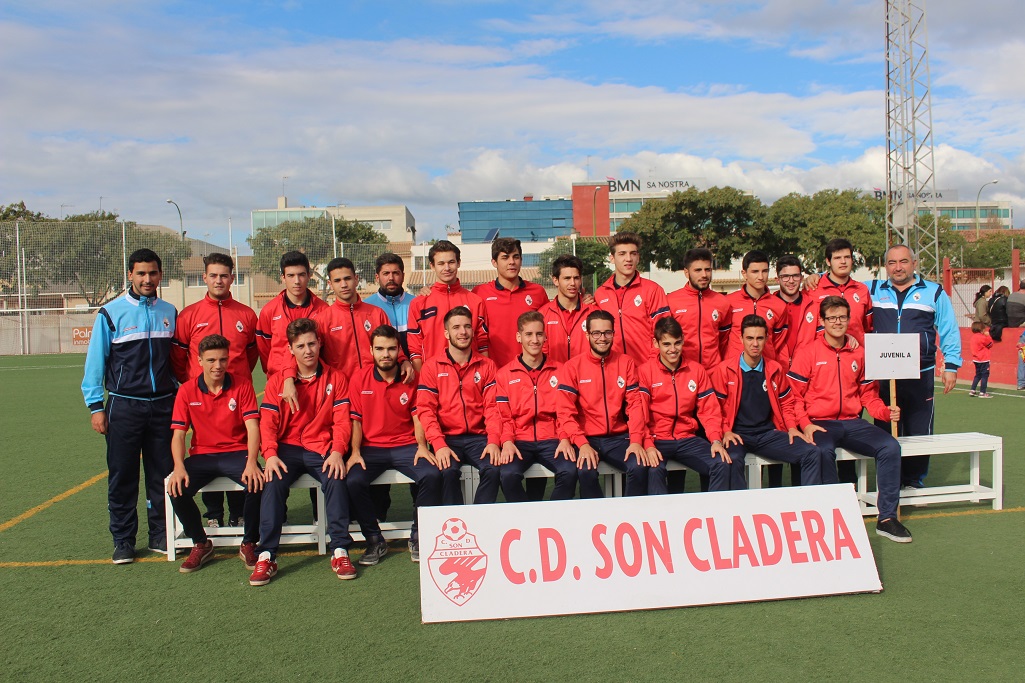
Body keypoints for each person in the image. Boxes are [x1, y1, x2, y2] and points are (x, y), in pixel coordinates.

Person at [787, 296, 911, 543]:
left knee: (890, 447)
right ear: (822, 321)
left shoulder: (859, 353)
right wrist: (805, 424)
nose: (837, 322)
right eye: (832, 318)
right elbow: (794, 397)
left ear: (848, 319)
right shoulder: (807, 352)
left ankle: (887, 518)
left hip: (853, 422)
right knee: (822, 451)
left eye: (842, 317)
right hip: (820, 422)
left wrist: (885, 412)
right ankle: (834, 515)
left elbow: (868, 396)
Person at [82, 248, 178, 564]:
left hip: (163, 406)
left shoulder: (170, 311)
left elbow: (177, 362)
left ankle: (161, 535)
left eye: (153, 273)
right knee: (122, 475)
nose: (147, 279)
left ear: (160, 275)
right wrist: (96, 406)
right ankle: (123, 541)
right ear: (130, 275)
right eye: (141, 273)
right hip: (124, 406)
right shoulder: (110, 313)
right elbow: (95, 362)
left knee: (162, 475)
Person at [249, 318, 358, 585]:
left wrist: (337, 451)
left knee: (336, 477)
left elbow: (342, 421)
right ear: (290, 349)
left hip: (321, 447)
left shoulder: (336, 378)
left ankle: (340, 551)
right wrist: (270, 454)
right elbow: (268, 423)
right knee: (272, 483)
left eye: (311, 344)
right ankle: (266, 555)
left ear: (320, 343)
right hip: (286, 449)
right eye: (300, 346)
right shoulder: (278, 382)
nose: (307, 350)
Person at [172, 252, 258, 530]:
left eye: (224, 275)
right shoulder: (189, 315)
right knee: (205, 445)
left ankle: (238, 513)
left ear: (232, 278)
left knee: (238, 446)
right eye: (213, 275)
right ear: (205, 277)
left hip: (237, 394)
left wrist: (238, 378)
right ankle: (213, 514)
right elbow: (179, 357)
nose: (219, 280)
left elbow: (252, 355)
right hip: (202, 396)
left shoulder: (246, 314)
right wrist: (192, 382)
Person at [345, 325, 443, 565]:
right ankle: (374, 539)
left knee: (431, 475)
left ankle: (418, 535)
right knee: (353, 480)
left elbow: (418, 417)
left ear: (399, 350)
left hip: (406, 446)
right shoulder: (359, 377)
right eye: (379, 349)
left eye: (390, 349)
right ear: (371, 350)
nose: (385, 354)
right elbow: (356, 420)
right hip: (371, 448)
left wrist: (422, 446)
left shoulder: (410, 378)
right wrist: (355, 452)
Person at [166, 334, 263, 572]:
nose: (217, 365)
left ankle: (249, 542)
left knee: (259, 483)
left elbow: (253, 428)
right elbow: (178, 435)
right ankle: (201, 543)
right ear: (199, 360)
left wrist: (252, 462)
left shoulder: (242, 385)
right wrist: (178, 467)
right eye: (211, 360)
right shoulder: (187, 390)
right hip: (203, 456)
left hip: (236, 453)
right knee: (176, 488)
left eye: (222, 359)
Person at [867, 245, 961, 489]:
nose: (898, 267)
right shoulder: (872, 289)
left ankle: (913, 481)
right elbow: (839, 285)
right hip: (884, 373)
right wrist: (818, 277)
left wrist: (951, 365)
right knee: (885, 428)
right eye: (892, 263)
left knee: (919, 429)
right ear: (885, 266)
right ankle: (890, 481)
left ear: (914, 263)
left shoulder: (934, 292)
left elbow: (949, 329)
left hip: (921, 372)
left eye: (903, 261)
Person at [709, 315, 823, 487]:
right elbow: (716, 409)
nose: (755, 344)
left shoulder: (775, 369)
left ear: (767, 339)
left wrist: (792, 427)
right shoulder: (724, 370)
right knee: (731, 459)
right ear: (741, 338)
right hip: (737, 434)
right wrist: (725, 431)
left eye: (759, 338)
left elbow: (786, 403)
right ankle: (741, 504)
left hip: (767, 434)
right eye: (750, 338)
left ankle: (807, 502)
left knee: (811, 452)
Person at [638, 317, 738, 493]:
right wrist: (648, 444)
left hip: (687, 438)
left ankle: (713, 510)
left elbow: (709, 410)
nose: (673, 349)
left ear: (683, 340)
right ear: (656, 343)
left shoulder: (696, 370)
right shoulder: (645, 372)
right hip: (657, 439)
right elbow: (640, 414)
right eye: (666, 344)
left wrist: (715, 440)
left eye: (677, 343)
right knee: (653, 469)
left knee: (720, 463)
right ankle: (660, 512)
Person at [557, 310, 651, 497]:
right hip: (587, 438)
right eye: (596, 333)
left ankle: (628, 513)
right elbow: (565, 412)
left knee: (639, 466)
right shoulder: (573, 367)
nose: (602, 338)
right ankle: (598, 515)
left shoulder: (626, 363)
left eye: (607, 332)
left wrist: (635, 441)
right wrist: (582, 443)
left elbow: (635, 405)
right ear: (587, 335)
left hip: (618, 438)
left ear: (613, 334)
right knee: (585, 470)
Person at [416, 306, 503, 505]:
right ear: (446, 333)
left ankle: (479, 518)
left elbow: (493, 408)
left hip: (479, 438)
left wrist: (493, 440)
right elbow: (426, 411)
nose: (463, 332)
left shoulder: (487, 365)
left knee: (494, 468)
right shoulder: (431, 367)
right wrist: (438, 444)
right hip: (447, 438)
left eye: (467, 326)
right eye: (456, 327)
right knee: (447, 471)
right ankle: (455, 520)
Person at [495, 312, 578, 501]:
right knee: (507, 474)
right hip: (519, 440)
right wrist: (507, 441)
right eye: (529, 334)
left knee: (570, 470)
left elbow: (565, 412)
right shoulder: (504, 374)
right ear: (519, 337)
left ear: (545, 336)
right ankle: (527, 517)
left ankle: (552, 516)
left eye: (539, 334)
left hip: (552, 440)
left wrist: (564, 438)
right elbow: (504, 416)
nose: (535, 340)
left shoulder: (561, 370)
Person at [407, 240, 489, 372]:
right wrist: (422, 378)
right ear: (432, 266)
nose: (447, 268)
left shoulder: (475, 301)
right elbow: (415, 348)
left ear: (459, 263)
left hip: (469, 375)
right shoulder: (419, 303)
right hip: (433, 375)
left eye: (451, 262)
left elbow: (482, 343)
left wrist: (483, 374)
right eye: (441, 263)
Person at [473, 237, 550, 368]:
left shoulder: (538, 292)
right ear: (494, 262)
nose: (512, 262)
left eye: (516, 257)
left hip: (531, 371)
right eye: (505, 257)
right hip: (495, 372)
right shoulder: (480, 293)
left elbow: (548, 328)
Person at [594, 232, 670, 364]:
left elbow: (664, 332)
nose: (628, 259)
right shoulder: (601, 293)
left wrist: (652, 364)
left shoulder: (653, 290)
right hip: (613, 368)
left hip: (646, 367)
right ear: (612, 258)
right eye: (622, 254)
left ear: (638, 257)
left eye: (633, 253)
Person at [256, 251, 329, 378]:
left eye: (301, 275)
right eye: (291, 275)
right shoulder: (269, 310)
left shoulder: (324, 310)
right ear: (283, 277)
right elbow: (264, 350)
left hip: (314, 380)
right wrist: (276, 371)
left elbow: (326, 349)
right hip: (279, 379)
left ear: (309, 275)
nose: (297, 281)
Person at [667, 247, 732, 368]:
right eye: (698, 270)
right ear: (686, 272)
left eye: (708, 270)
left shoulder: (722, 302)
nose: (704, 275)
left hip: (713, 370)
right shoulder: (671, 301)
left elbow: (724, 342)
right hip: (683, 371)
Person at [725, 250, 789, 365]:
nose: (760, 277)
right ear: (744, 273)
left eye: (764, 271)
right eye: (755, 272)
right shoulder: (728, 302)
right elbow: (721, 339)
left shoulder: (779, 306)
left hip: (765, 369)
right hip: (734, 368)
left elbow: (778, 342)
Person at [807, 238, 873, 343]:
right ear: (828, 261)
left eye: (847, 257)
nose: (843, 262)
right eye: (837, 258)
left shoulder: (862, 290)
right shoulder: (813, 288)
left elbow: (868, 327)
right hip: (824, 351)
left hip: (856, 351)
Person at [539, 253, 597, 363]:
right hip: (555, 373)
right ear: (555, 280)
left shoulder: (594, 313)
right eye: (567, 278)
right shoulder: (543, 315)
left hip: (585, 373)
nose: (572, 283)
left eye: (576, 278)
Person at [363, 252, 416, 355]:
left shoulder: (416, 303)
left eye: (396, 273)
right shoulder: (366, 307)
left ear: (403, 276)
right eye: (386, 273)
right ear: (377, 277)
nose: (391, 278)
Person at [968, 321, 993, 398]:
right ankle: (982, 392)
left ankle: (972, 389)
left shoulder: (973, 337)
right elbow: (990, 344)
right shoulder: (982, 337)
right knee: (984, 376)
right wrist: (988, 336)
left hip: (976, 359)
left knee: (978, 375)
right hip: (984, 359)